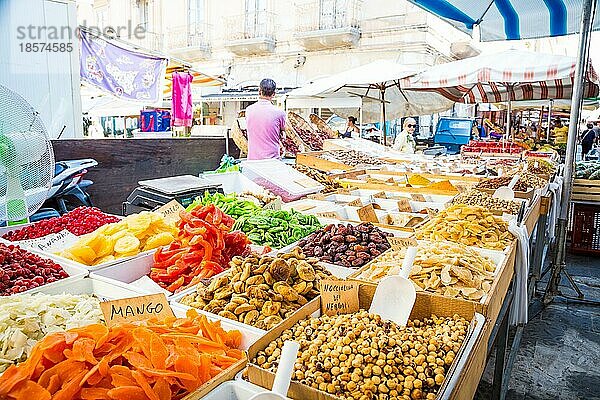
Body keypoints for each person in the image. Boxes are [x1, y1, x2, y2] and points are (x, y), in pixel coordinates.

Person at [245, 78, 286, 160]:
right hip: (272, 161)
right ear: (274, 94)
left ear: (259, 91)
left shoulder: (249, 110)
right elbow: (283, 131)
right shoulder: (280, 113)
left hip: (253, 161)